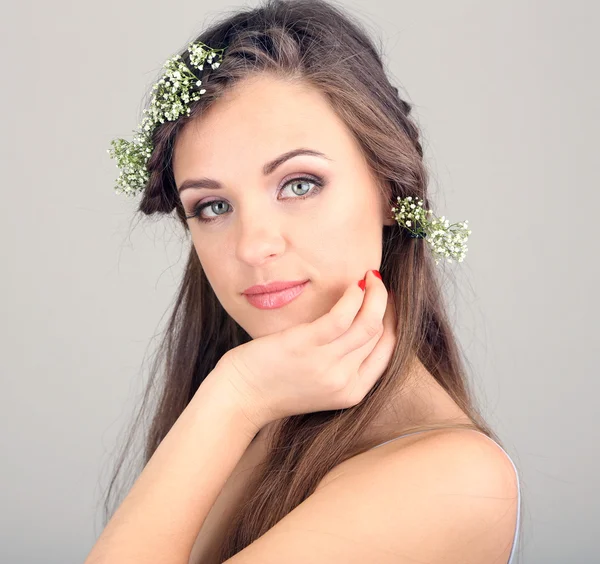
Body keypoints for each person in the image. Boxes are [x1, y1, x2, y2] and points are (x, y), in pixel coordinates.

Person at [97, 1, 522, 562]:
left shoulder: (452, 478)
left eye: (299, 184)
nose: (252, 245)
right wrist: (239, 401)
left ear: (391, 190)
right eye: (214, 206)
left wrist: (235, 396)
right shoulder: (268, 418)